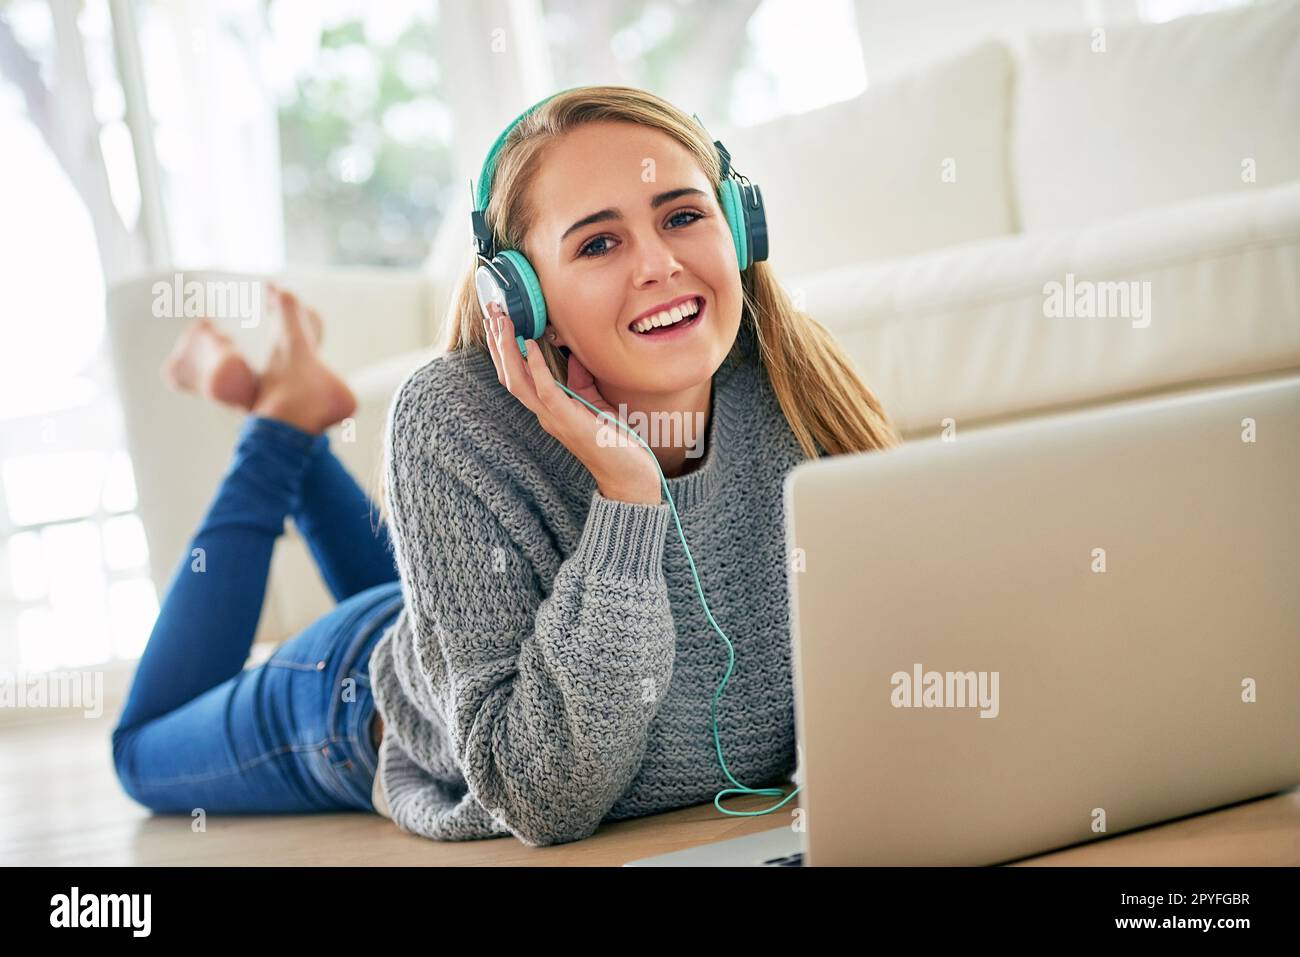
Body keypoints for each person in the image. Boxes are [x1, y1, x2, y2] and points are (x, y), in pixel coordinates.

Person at [111, 85, 899, 848]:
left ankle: (288, 408)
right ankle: (280, 428)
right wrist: (626, 495)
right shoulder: (449, 415)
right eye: (597, 241)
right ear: (520, 296)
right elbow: (543, 795)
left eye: (683, 215)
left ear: (738, 225)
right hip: (351, 700)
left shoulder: (794, 382)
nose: (658, 265)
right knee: (141, 754)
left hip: (460, 629)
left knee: (422, 613)